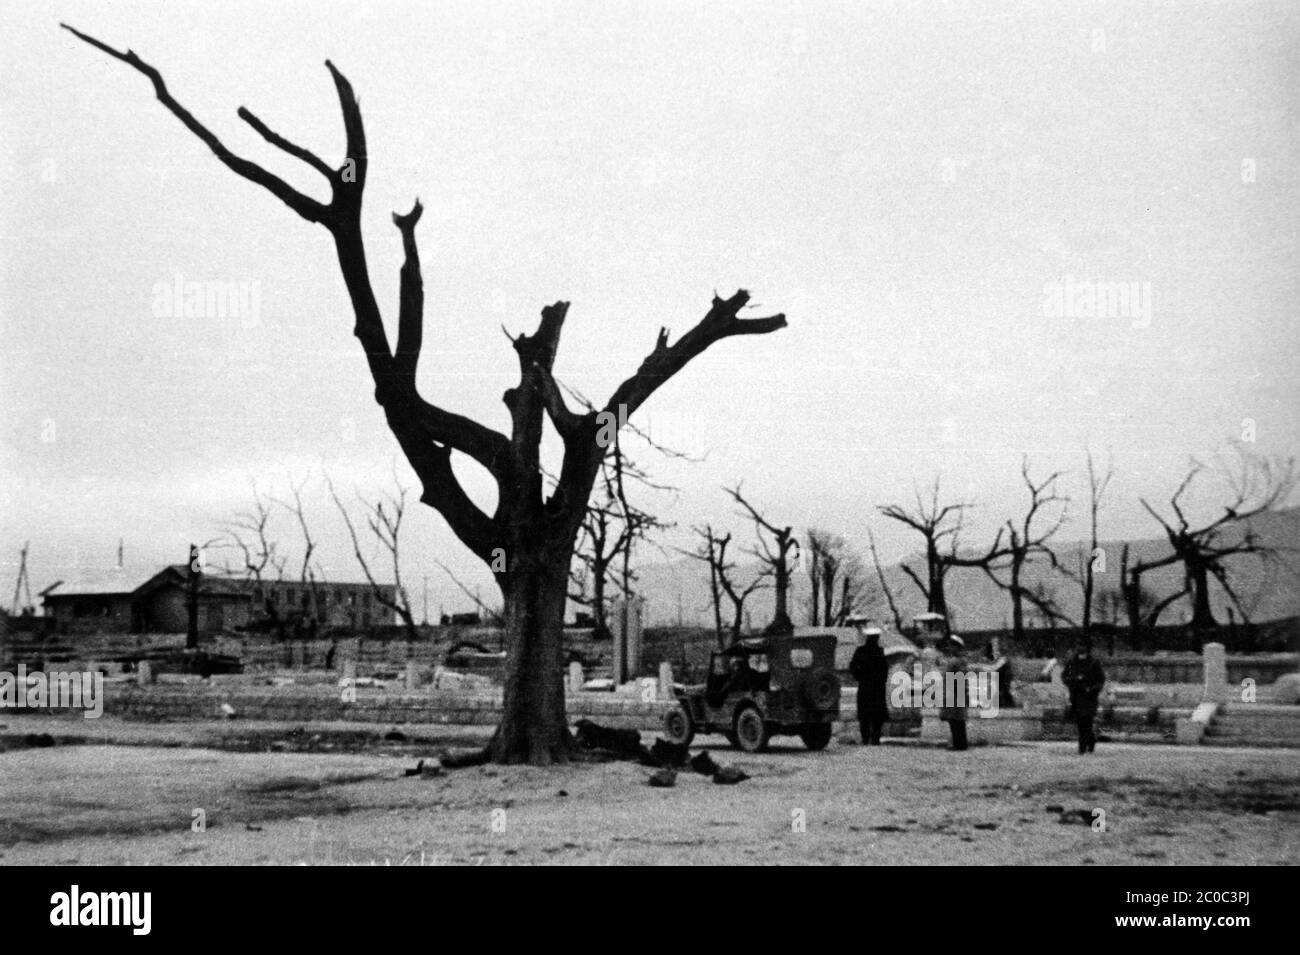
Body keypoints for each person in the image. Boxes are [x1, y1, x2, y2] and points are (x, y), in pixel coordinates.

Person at [1062, 638, 1106, 754]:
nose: (1079, 648)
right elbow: (1065, 677)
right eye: (1078, 645)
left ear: (1087, 648)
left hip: (1089, 697)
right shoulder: (1071, 662)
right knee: (1080, 722)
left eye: (1082, 645)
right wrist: (1074, 680)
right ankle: (1083, 746)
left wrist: (1092, 689)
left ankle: (1089, 742)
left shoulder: (1094, 662)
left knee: (1087, 721)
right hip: (1076, 696)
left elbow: (1100, 680)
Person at [849, 627, 890, 745]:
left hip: (865, 686)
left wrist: (860, 677)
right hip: (877, 688)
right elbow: (884, 669)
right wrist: (881, 680)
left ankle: (865, 738)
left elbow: (852, 667)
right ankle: (875, 739)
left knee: (864, 714)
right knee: (877, 714)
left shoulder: (860, 651)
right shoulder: (880, 651)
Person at [939, 635, 969, 751]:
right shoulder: (954, 660)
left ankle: (960, 743)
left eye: (952, 646)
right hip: (953, 691)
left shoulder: (958, 661)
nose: (950, 648)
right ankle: (958, 742)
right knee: (954, 719)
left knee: (957, 719)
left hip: (956, 691)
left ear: (957, 647)